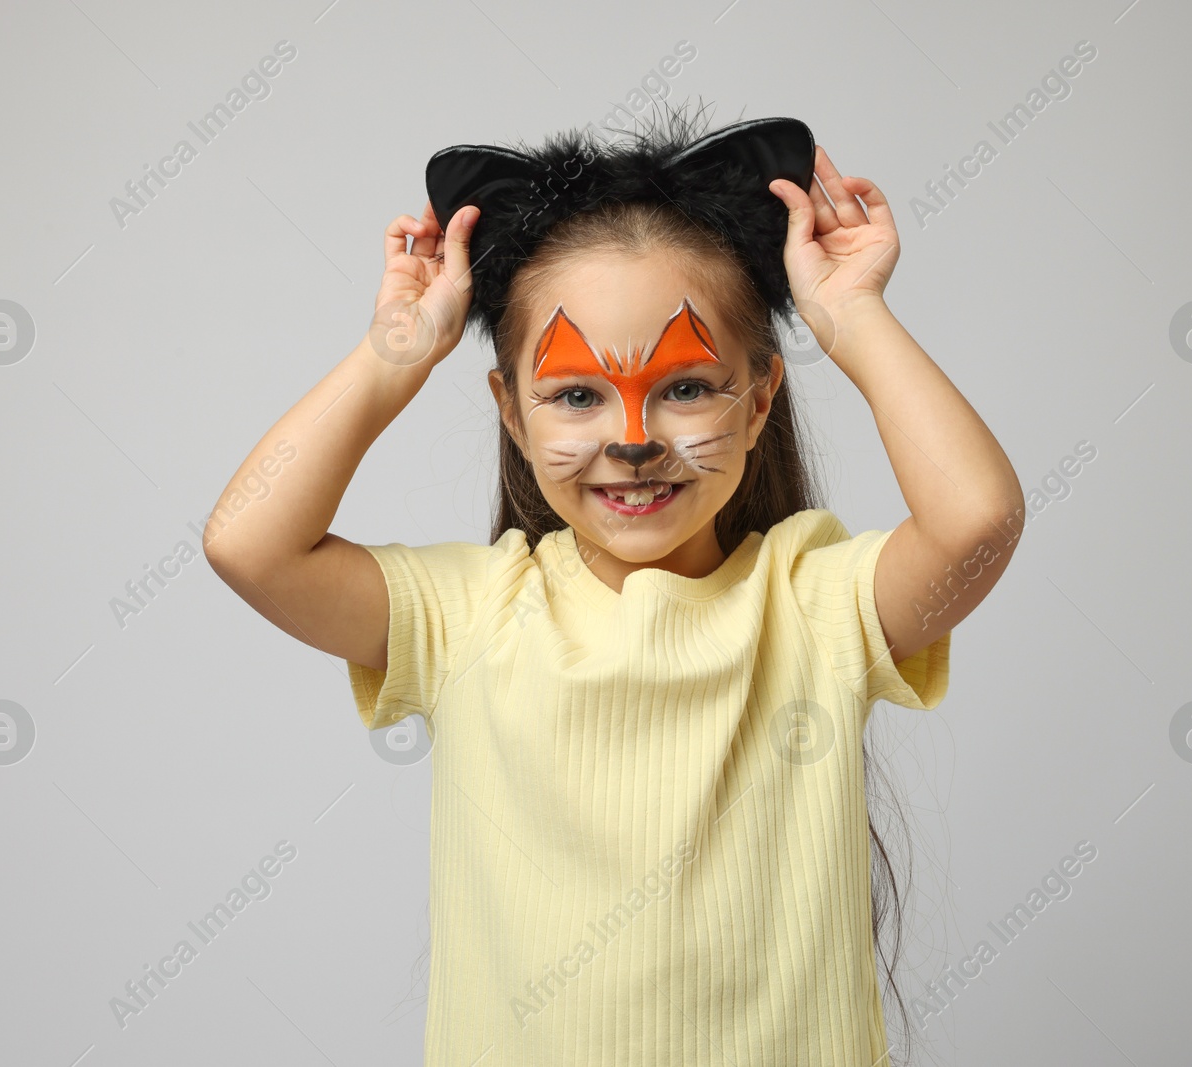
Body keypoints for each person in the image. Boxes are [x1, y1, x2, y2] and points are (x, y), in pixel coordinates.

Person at [204, 103, 1026, 1066]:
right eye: (575, 393)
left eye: (685, 387)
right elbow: (249, 544)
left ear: (760, 399)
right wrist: (399, 350)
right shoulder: (470, 615)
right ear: (511, 410)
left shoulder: (814, 605)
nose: (632, 440)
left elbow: (975, 521)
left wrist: (852, 316)